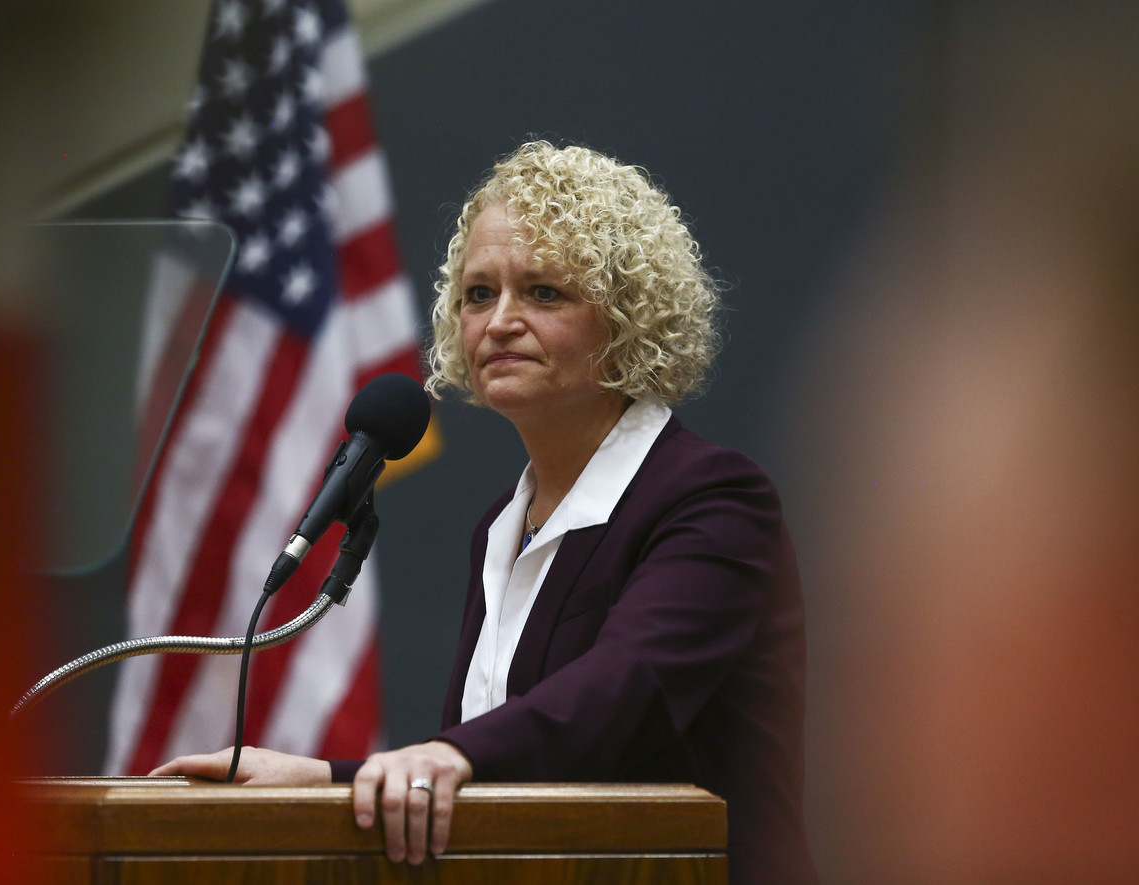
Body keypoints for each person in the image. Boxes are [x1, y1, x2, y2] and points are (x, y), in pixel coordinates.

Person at [151, 141, 818, 884]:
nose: (499, 321)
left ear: (628, 316)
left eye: (543, 292)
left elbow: (622, 696)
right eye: (477, 294)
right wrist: (326, 779)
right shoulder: (501, 527)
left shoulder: (713, 498)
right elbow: (497, 764)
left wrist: (446, 755)